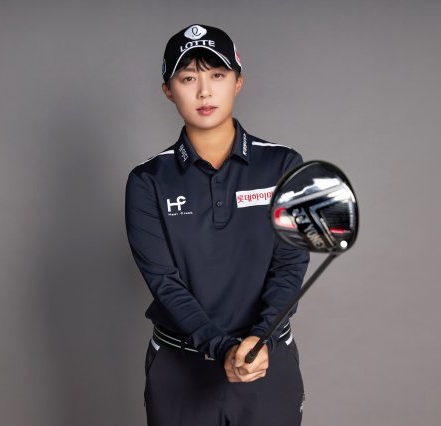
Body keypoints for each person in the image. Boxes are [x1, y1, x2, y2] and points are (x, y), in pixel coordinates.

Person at [125, 24, 309, 426]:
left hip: (266, 361)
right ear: (168, 90)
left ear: (238, 82)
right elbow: (163, 281)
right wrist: (221, 347)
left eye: (217, 75)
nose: (204, 91)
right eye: (188, 78)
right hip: (180, 369)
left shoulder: (282, 165)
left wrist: (259, 337)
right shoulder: (148, 180)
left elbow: (290, 265)